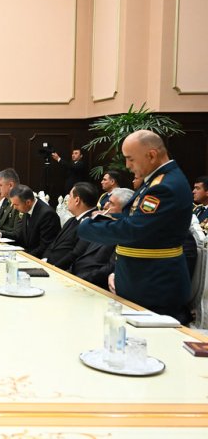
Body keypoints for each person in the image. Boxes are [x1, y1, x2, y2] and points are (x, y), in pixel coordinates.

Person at [78, 130, 192, 323]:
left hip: (154, 284)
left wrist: (87, 226)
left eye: (130, 159)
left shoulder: (163, 186)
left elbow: (134, 230)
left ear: (152, 155)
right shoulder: (157, 181)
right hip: (142, 279)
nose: (127, 165)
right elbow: (136, 219)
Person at [68, 188, 134, 290]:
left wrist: (79, 279)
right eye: (107, 201)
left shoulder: (124, 236)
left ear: (124, 210)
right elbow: (79, 253)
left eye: (111, 204)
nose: (105, 206)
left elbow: (108, 269)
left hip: (91, 285)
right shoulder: (102, 224)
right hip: (73, 275)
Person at [42, 182, 98, 269]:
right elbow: (54, 243)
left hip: (61, 271)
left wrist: (54, 267)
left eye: (70, 196)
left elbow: (75, 254)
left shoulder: (91, 223)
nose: (68, 200)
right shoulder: (72, 220)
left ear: (77, 200)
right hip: (48, 265)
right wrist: (45, 259)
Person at [2, 184, 61, 259]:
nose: (14, 208)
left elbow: (45, 247)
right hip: (28, 254)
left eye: (16, 205)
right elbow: (20, 236)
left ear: (28, 202)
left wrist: (23, 256)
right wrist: (0, 235)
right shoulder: (26, 208)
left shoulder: (47, 214)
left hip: (39, 259)